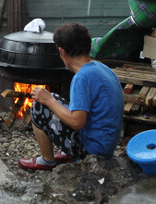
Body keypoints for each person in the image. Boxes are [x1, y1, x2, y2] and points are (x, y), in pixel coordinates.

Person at [19, 23, 124, 171]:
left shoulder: (82, 77)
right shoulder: (102, 68)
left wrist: (49, 101)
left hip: (93, 152)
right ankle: (66, 152)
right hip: (106, 145)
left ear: (62, 52)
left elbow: (77, 123)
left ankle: (47, 161)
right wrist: (52, 100)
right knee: (54, 98)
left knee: (40, 106)